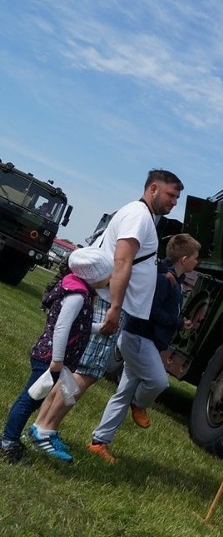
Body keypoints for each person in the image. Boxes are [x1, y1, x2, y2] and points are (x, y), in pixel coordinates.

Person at [31, 169, 183, 442]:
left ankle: (42, 425)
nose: (174, 202)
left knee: (78, 370)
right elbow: (122, 261)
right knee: (85, 373)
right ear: (153, 189)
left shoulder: (142, 215)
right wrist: (115, 306)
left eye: (177, 197)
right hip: (108, 303)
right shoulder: (139, 217)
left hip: (109, 301)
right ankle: (46, 430)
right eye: (171, 195)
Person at [87, 233, 200, 463]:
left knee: (122, 394)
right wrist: (178, 322)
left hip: (142, 340)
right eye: (196, 258)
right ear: (185, 258)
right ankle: (139, 404)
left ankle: (99, 442)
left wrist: (179, 320)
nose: (197, 262)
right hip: (139, 338)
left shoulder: (174, 279)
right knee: (159, 381)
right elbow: (151, 311)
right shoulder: (163, 279)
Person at [1, 247, 113, 463]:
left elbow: (78, 325)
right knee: (29, 399)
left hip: (55, 360)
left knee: (41, 397)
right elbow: (62, 328)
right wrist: (57, 362)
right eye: (107, 276)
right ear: (94, 276)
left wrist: (100, 328)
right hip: (50, 359)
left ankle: (15, 437)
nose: (109, 280)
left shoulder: (81, 292)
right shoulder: (77, 297)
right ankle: (8, 442)